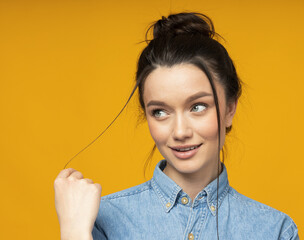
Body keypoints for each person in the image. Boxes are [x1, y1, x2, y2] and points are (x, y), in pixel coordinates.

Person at [54, 12, 299, 240]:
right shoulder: (99, 221)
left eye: (198, 107)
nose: (180, 132)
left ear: (229, 109)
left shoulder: (274, 230)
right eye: (160, 112)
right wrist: (74, 231)